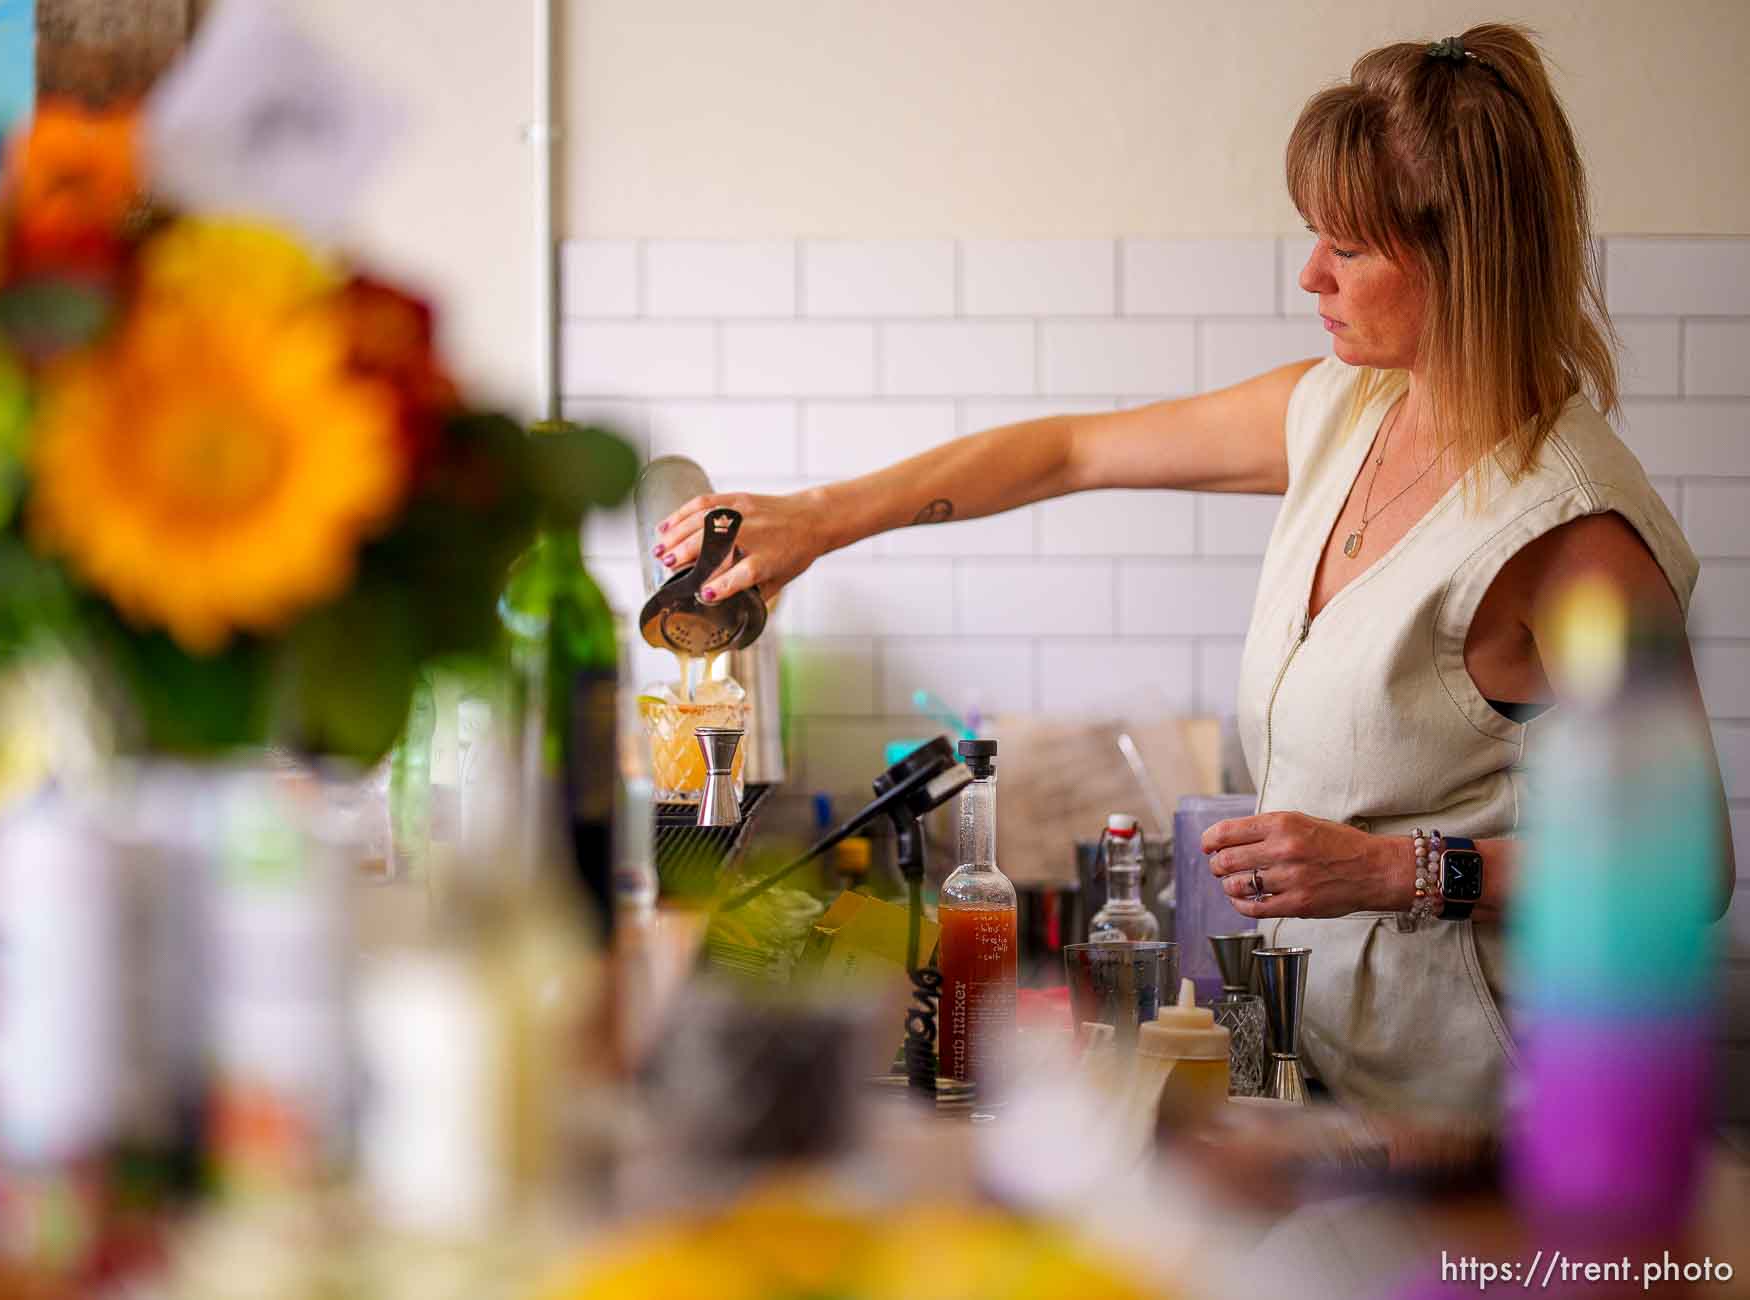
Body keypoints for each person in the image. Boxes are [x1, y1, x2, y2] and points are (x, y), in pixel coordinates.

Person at [651, 23, 1735, 1116]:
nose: (1310, 273)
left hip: (1502, 1111)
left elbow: (1683, 872)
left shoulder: (1570, 534)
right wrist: (817, 519)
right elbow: (1070, 451)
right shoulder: (1343, 412)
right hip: (1330, 1075)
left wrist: (1390, 870)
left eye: (1347, 249)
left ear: (1465, 255)